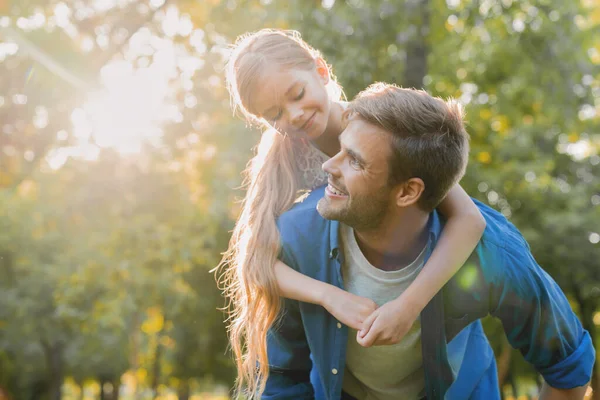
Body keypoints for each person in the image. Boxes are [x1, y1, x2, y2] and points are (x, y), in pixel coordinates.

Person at [266, 83, 595, 400]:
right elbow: (282, 376)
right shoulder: (298, 238)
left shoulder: (491, 253)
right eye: (339, 148)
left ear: (408, 191)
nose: (328, 165)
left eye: (354, 160)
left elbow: (567, 365)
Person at [219, 29, 486, 398]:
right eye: (273, 114)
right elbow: (256, 263)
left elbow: (470, 220)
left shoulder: (377, 124)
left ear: (321, 70)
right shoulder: (286, 156)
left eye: (297, 94)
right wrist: (330, 296)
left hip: (441, 344)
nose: (293, 115)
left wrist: (409, 306)